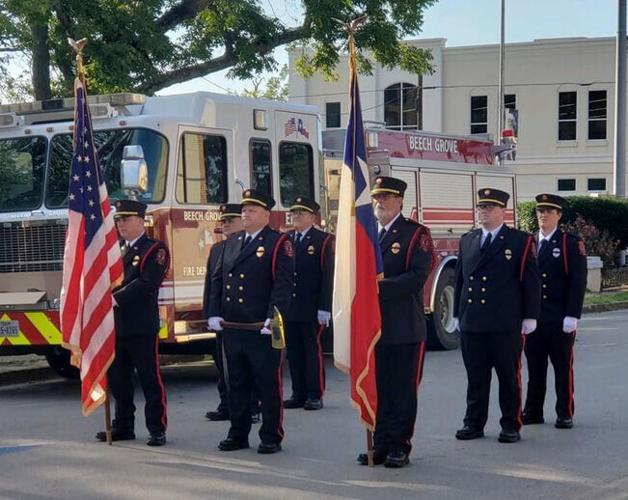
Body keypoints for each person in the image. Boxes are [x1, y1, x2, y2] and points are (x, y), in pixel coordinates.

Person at [207, 189, 294, 454]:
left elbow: (283, 284)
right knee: (237, 384)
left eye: (252, 210)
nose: (246, 214)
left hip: (261, 327)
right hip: (233, 327)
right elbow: (218, 280)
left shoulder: (278, 243)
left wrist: (273, 318)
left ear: (267, 215)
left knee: (267, 384)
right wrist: (213, 312)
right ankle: (238, 433)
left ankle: (271, 435)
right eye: (244, 210)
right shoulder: (232, 242)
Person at [356, 176, 434, 468]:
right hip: (372, 329)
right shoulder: (365, 234)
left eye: (387, 197)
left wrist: (375, 289)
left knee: (402, 391)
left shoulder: (416, 234)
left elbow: (416, 277)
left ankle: (400, 445)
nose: (380, 202)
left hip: (403, 327)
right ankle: (380, 444)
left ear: (400, 201)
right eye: (377, 197)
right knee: (378, 389)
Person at [454, 188, 540, 444]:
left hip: (504, 322)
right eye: (481, 207)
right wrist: (458, 313)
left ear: (503, 210)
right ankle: (473, 422)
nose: (484, 212)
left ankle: (511, 424)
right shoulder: (468, 240)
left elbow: (531, 280)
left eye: (490, 207)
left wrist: (530, 315)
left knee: (508, 376)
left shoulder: (519, 241)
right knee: (476, 377)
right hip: (473, 321)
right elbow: (460, 279)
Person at [96, 200, 169, 446]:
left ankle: (157, 428)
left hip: (140, 326)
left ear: (140, 220)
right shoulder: (115, 249)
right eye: (118, 220)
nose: (121, 224)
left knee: (149, 380)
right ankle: (123, 425)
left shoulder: (154, 249)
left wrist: (114, 299)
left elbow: (147, 283)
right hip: (116, 326)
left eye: (126, 219)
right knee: (118, 380)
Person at [523, 193, 587, 429]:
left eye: (549, 211)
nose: (543, 215)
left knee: (562, 368)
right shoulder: (528, 242)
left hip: (559, 318)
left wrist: (572, 315)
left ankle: (564, 412)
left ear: (559, 215)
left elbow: (578, 281)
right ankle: (533, 411)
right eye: (540, 211)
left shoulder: (569, 242)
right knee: (535, 368)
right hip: (534, 318)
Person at [202, 204, 262, 423]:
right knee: (223, 364)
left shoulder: (253, 246)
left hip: (244, 318)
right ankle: (226, 404)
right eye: (223, 221)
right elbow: (212, 284)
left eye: (230, 220)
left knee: (247, 366)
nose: (225, 224)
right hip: (222, 317)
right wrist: (209, 313)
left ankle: (252, 407)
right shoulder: (218, 248)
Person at [283, 197, 335, 411]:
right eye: (294, 212)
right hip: (290, 306)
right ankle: (298, 393)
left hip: (311, 306)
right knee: (294, 351)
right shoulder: (286, 238)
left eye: (301, 213)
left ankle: (315, 394)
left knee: (311, 350)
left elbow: (328, 276)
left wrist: (325, 307)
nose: (296, 216)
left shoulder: (324, 240)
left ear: (313, 217)